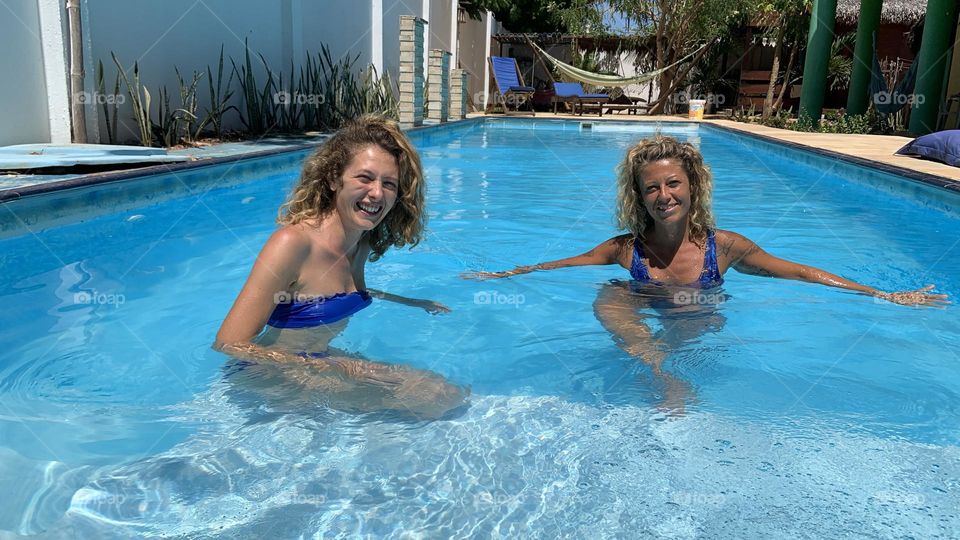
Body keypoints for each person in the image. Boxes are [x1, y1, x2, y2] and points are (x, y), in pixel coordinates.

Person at [466, 135, 948, 306]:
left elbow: (801, 272)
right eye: (651, 187)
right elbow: (568, 263)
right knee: (611, 296)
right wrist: (507, 275)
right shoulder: (625, 249)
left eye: (673, 183)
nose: (663, 195)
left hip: (698, 315)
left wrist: (882, 295)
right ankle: (655, 371)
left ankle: (669, 380)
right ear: (639, 195)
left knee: (690, 319)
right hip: (642, 308)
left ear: (692, 185)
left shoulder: (728, 247)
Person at [215, 115, 466, 419]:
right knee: (436, 400)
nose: (376, 193)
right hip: (268, 377)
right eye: (364, 178)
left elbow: (331, 292)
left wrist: (412, 302)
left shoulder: (359, 243)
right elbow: (230, 344)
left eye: (389, 184)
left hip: (318, 364)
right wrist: (350, 368)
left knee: (445, 395)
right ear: (334, 179)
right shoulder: (293, 243)